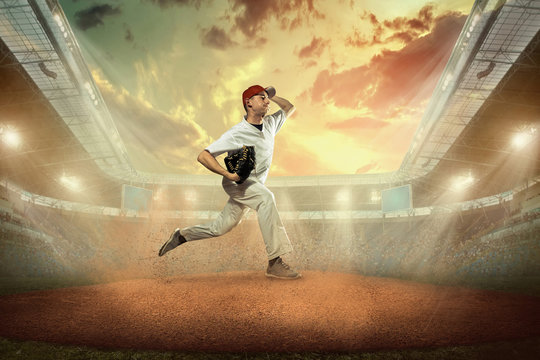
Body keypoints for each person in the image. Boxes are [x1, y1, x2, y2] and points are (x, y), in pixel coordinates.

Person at [158, 85, 301, 279]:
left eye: (266, 98)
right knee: (266, 199)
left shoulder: (270, 124)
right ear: (248, 103)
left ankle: (182, 235)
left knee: (220, 227)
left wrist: (271, 96)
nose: (266, 101)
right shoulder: (236, 133)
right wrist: (228, 174)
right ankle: (274, 261)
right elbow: (203, 156)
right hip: (239, 183)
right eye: (261, 98)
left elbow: (289, 107)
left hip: (254, 185)